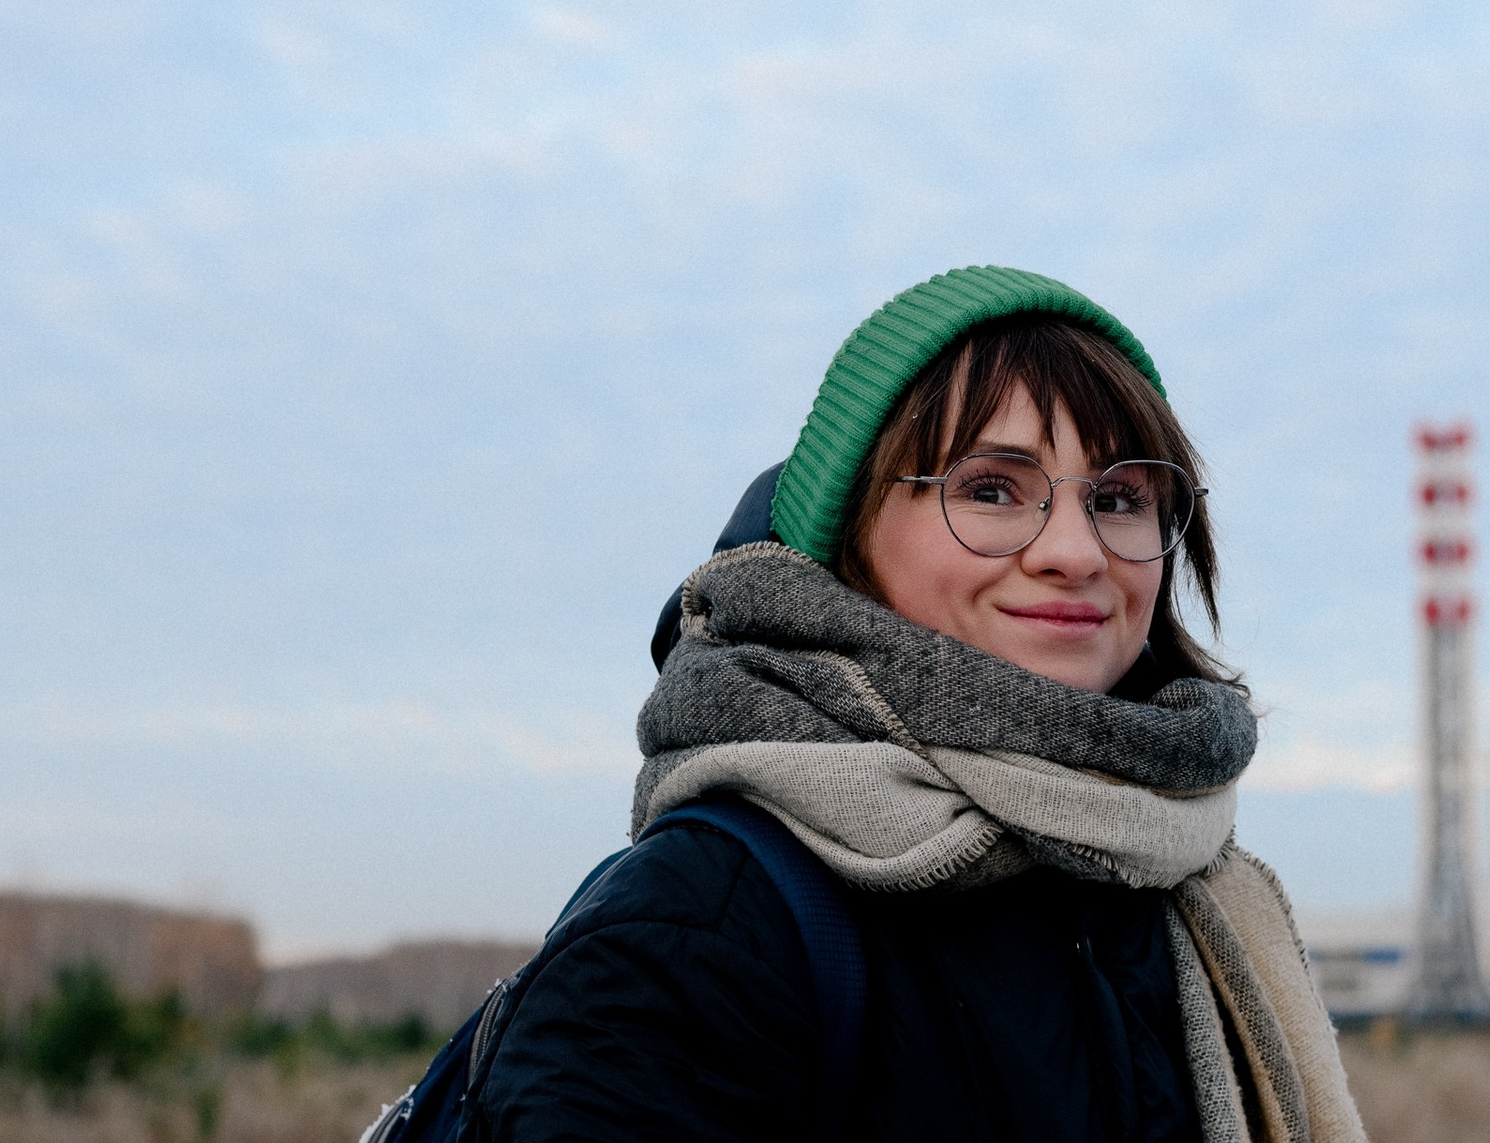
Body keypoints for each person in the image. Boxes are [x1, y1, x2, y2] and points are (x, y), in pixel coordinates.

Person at [478, 266, 1365, 1143]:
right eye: (991, 489)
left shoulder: (1183, 891)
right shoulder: (701, 926)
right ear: (849, 536)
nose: (1076, 551)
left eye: (1119, 499)